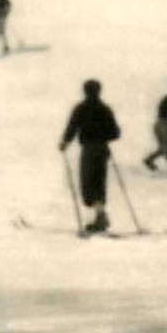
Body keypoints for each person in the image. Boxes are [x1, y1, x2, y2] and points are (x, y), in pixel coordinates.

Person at [59, 79, 121, 234]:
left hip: (89, 149)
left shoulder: (81, 108)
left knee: (88, 183)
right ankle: (100, 216)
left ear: (85, 91)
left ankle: (100, 217)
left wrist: (65, 142)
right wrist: (104, 137)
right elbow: (115, 133)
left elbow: (72, 127)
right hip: (102, 149)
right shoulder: (105, 109)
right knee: (98, 182)